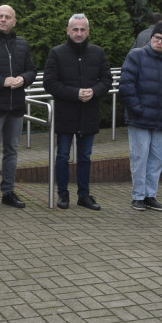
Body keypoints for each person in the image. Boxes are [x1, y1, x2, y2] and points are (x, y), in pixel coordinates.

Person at [43, 14, 112, 211]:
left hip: (89, 113)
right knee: (63, 156)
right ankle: (62, 195)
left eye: (82, 29)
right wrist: (75, 93)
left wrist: (95, 91)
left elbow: (106, 80)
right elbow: (50, 83)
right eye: (75, 29)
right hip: (66, 113)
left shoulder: (98, 53)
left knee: (85, 157)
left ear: (88, 31)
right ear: (68, 30)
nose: (79, 33)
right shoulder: (56, 53)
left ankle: (84, 195)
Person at [0, 4, 37, 211]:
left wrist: (23, 78)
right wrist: (2, 81)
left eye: (7, 17)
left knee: (12, 151)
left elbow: (32, 70)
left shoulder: (22, 44)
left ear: (14, 21)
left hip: (16, 106)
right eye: (0, 16)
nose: (3, 19)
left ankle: (8, 192)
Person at [120, 21, 162, 212]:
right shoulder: (136, 56)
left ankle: (150, 195)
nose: (159, 42)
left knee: (156, 159)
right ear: (151, 38)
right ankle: (138, 196)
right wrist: (137, 108)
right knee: (140, 156)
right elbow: (126, 84)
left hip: (161, 119)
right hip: (140, 118)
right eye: (157, 38)